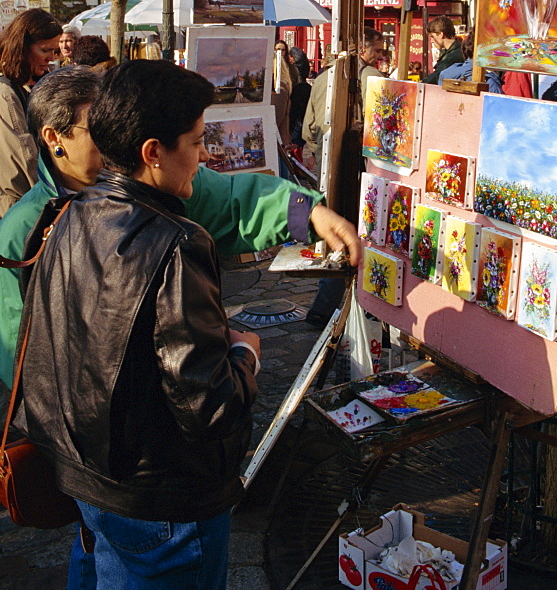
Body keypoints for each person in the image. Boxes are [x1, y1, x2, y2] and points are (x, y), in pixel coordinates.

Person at [13, 60, 360, 590]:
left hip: (91, 472)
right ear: (152, 152)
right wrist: (245, 354)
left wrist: (303, 213)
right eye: (197, 143)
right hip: (160, 494)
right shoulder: (174, 243)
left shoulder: (64, 214)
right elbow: (209, 403)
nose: (205, 157)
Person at [0, 65, 360, 389]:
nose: (111, 133)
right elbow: (19, 349)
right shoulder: (26, 227)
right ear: (53, 137)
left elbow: (233, 201)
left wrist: (307, 212)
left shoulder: (158, 184)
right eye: (96, 127)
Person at [302, 27, 384, 327]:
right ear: (363, 50)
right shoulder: (371, 77)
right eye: (376, 50)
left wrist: (314, 150)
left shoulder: (324, 77)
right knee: (355, 231)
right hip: (360, 165)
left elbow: (310, 125)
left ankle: (324, 307)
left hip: (327, 162)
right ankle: (342, 307)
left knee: (337, 230)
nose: (380, 56)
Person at [0, 8, 62, 216]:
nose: (51, 59)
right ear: (22, 48)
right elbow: (25, 160)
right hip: (17, 207)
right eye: (45, 50)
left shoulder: (19, 86)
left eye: (55, 52)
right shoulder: (6, 93)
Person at [422, 15, 463, 84]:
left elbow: (437, 76)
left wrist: (419, 84)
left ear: (441, 34)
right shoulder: (454, 51)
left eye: (432, 36)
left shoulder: (454, 55)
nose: (431, 41)